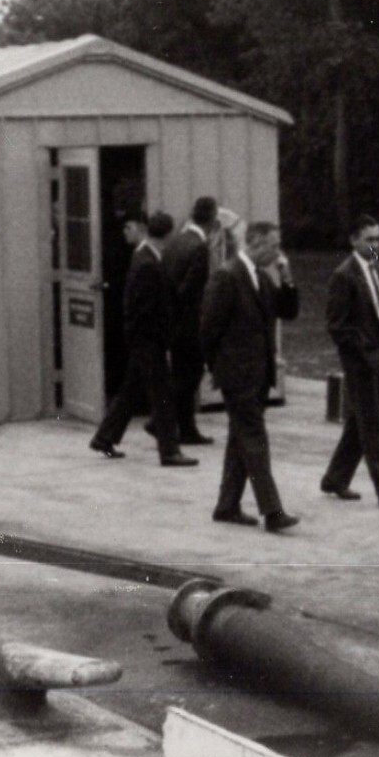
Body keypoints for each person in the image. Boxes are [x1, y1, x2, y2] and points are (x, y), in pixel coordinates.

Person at [200, 220, 301, 532]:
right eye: (274, 246)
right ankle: (272, 511)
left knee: (240, 439)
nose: (278, 253)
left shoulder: (261, 277)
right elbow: (208, 329)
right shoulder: (227, 276)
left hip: (258, 374)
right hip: (238, 375)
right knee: (255, 438)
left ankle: (227, 506)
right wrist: (219, 369)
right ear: (255, 242)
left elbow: (288, 311)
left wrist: (287, 277)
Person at [89, 212, 199, 467]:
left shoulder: (145, 257)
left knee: (131, 390)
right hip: (149, 340)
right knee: (163, 396)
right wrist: (160, 340)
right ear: (169, 235)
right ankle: (169, 451)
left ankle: (104, 437)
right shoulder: (148, 263)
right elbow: (146, 309)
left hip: (143, 340)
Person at [319, 215, 379, 512]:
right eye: (369, 239)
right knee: (372, 426)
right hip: (361, 363)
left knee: (360, 421)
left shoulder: (376, 268)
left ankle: (335, 478)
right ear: (354, 240)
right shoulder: (343, 276)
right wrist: (362, 354)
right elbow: (336, 326)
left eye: (378, 239)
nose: (376, 245)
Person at [158, 196, 220, 446]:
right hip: (190, 323)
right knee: (190, 376)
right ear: (212, 219)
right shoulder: (199, 248)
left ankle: (184, 428)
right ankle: (170, 424)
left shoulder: (176, 241)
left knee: (181, 375)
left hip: (173, 321)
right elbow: (193, 290)